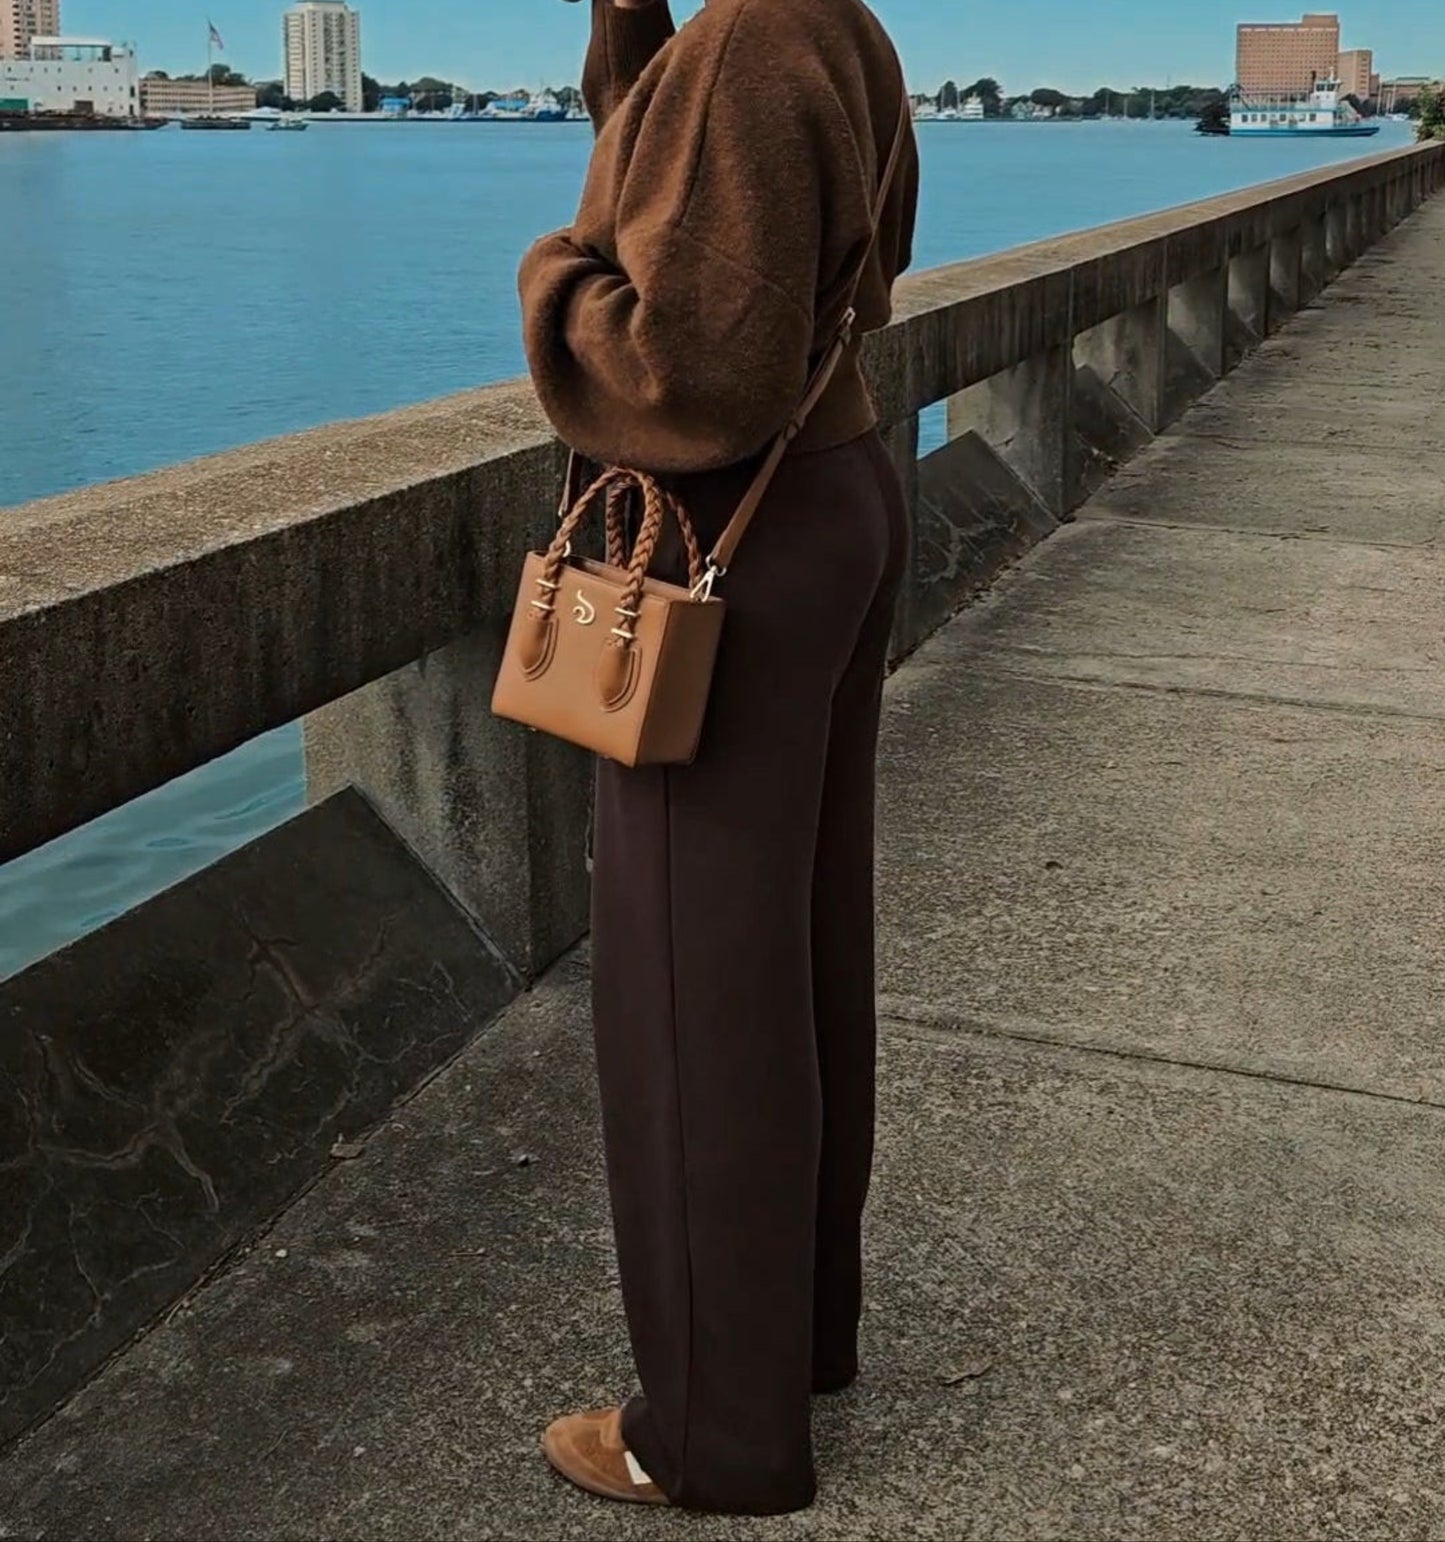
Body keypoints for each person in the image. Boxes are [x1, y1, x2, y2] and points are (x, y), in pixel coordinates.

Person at [518, 0, 919, 1516]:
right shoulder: (823, 23)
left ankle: (709, 1432)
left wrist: (550, 277)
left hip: (725, 540)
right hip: (831, 498)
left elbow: (690, 352)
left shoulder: (748, 42)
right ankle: (794, 1336)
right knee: (793, 951)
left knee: (688, 995)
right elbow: (704, 205)